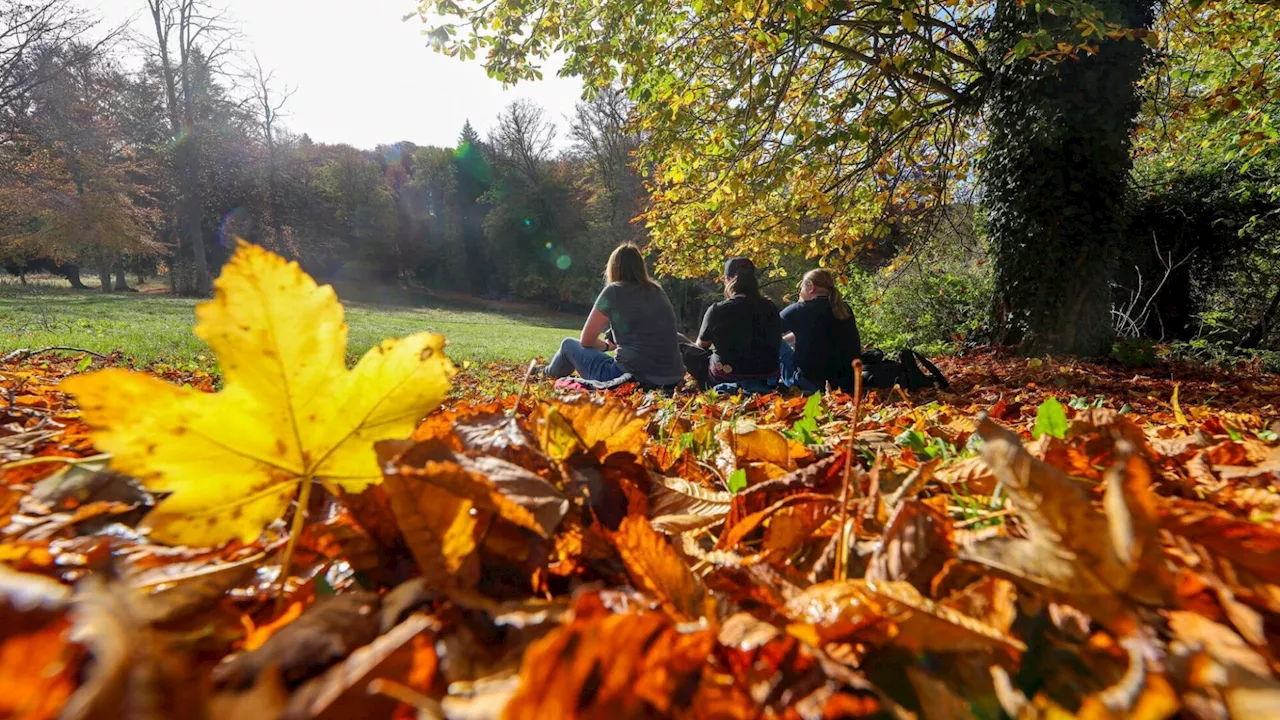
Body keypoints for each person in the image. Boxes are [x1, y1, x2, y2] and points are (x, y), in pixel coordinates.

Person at [539, 244, 686, 387]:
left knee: (568, 345)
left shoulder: (614, 291)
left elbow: (586, 340)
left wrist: (605, 346)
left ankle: (545, 373)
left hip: (630, 378)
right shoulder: (657, 291)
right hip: (672, 378)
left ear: (613, 268)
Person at [682, 257, 781, 390]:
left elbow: (702, 345)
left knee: (682, 348)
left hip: (727, 375)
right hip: (768, 377)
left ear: (727, 279)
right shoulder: (771, 307)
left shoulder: (718, 309)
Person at [779, 268, 861, 392]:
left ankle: (765, 380)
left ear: (810, 287)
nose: (800, 292)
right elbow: (814, 334)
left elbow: (767, 332)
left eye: (801, 287)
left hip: (809, 382)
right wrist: (785, 340)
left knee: (772, 340)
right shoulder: (843, 309)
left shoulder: (798, 310)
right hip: (846, 382)